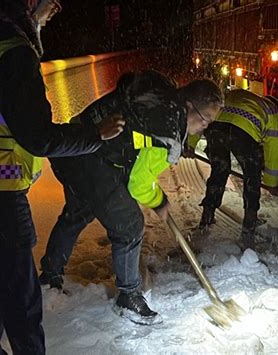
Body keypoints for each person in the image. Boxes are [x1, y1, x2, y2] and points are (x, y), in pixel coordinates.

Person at [0, 1, 125, 354]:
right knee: (21, 304)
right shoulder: (12, 54)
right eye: (47, 4)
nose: (53, 11)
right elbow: (38, 137)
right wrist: (95, 135)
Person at [38, 70, 224, 325]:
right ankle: (128, 296)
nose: (205, 127)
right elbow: (139, 185)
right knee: (129, 224)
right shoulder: (167, 128)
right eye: (205, 119)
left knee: (79, 211)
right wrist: (159, 201)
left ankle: (49, 276)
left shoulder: (163, 94)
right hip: (91, 156)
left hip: (73, 145)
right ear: (189, 105)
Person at [198, 89, 278, 247]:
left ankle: (207, 214)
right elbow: (275, 151)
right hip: (243, 134)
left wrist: (190, 143)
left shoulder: (244, 96)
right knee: (252, 175)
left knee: (219, 169)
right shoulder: (274, 113)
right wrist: (272, 182)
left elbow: (205, 112)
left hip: (216, 128)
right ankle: (249, 224)